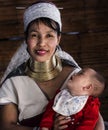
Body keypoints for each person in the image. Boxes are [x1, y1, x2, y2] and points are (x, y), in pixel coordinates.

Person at [0, 1, 105, 130]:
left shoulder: (76, 76)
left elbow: (95, 117)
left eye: (49, 35)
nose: (42, 43)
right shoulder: (13, 83)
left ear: (58, 38)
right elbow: (6, 126)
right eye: (34, 35)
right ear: (26, 38)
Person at [40, 67, 105, 130]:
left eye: (80, 73)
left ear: (87, 87)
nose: (74, 73)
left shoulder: (91, 103)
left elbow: (89, 122)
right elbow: (50, 111)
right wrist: (45, 126)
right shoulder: (61, 95)